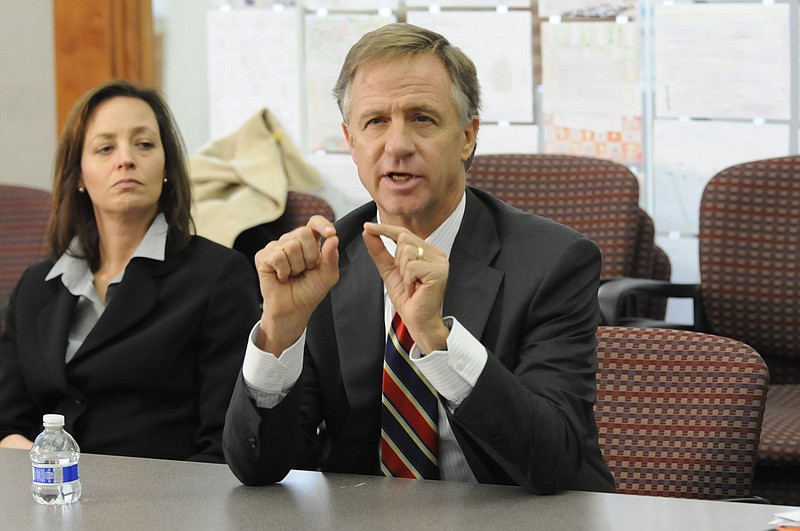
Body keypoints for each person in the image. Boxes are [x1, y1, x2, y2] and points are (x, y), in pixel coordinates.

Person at [223, 23, 616, 493]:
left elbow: (557, 461)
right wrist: (278, 333)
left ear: (467, 136)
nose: (398, 144)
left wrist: (437, 339)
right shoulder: (327, 263)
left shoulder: (554, 262)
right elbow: (259, 469)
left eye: (423, 118)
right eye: (375, 122)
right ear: (351, 141)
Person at [0, 80, 259, 462]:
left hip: (160, 508)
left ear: (167, 166)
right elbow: (8, 424)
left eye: (144, 144)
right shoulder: (36, 287)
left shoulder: (218, 276)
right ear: (78, 177)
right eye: (105, 148)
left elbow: (223, 445)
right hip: (45, 503)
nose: (126, 159)